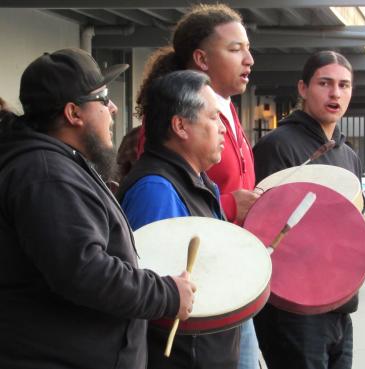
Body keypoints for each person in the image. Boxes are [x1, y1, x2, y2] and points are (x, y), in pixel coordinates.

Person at [0, 48, 195, 369]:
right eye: (103, 99)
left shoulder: (57, 164)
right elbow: (84, 271)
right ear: (73, 113)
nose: (114, 108)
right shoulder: (46, 175)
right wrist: (166, 294)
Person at [134, 4, 260, 368]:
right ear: (202, 58)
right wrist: (234, 206)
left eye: (247, 47)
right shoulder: (158, 175)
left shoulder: (228, 112)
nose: (249, 59)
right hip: (196, 313)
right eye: (235, 48)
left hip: (226, 278)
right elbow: (159, 257)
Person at [116, 70, 239, 369]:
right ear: (180, 126)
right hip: (183, 356)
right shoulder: (156, 189)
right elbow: (157, 292)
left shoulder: (197, 179)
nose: (223, 129)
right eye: (213, 118)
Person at [253, 50, 363, 369]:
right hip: (294, 307)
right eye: (325, 83)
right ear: (303, 88)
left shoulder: (349, 156)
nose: (335, 93)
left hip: (340, 303)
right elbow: (268, 230)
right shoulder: (278, 146)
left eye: (344, 85)